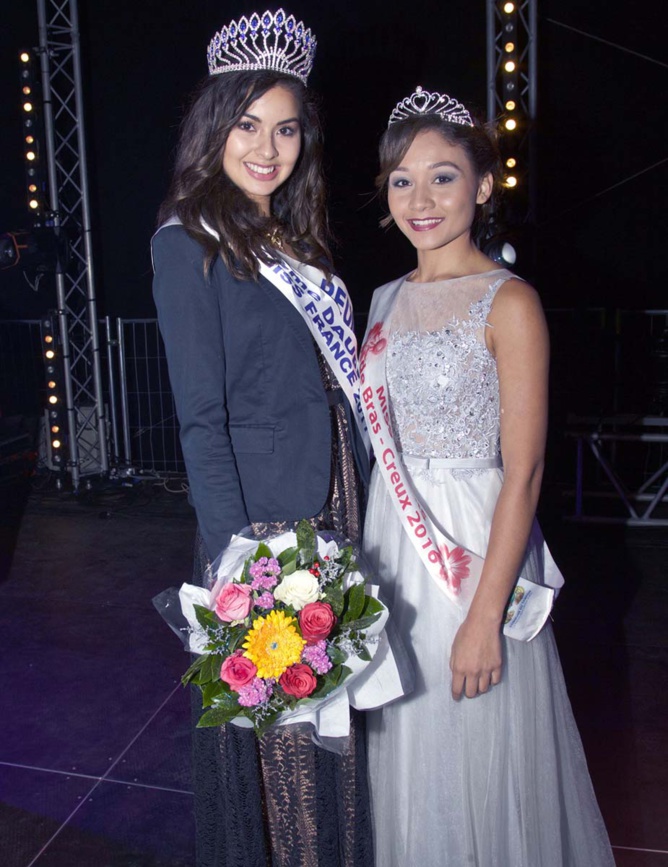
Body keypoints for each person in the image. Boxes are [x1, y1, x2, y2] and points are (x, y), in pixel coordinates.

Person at [361, 86, 615, 866]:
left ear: (483, 183)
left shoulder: (511, 304)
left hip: (472, 548)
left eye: (443, 176)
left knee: (474, 746)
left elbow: (527, 470)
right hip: (389, 544)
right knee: (405, 745)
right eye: (402, 180)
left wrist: (483, 615)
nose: (421, 199)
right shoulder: (381, 300)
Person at [151, 10, 373, 866]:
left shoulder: (293, 237)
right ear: (214, 125)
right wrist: (238, 559)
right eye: (248, 125)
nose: (267, 148)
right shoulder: (189, 244)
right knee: (285, 738)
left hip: (333, 499)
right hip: (268, 523)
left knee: (335, 724)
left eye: (285, 128)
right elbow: (200, 419)